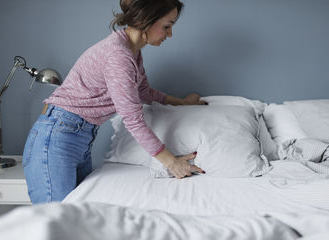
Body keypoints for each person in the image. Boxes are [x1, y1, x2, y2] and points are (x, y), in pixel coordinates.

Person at [22, 0, 206, 204]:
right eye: (167, 26)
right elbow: (133, 120)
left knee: (74, 219)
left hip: (74, 135)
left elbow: (144, 92)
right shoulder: (119, 56)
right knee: (54, 222)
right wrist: (172, 163)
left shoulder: (132, 53)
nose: (169, 33)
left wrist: (182, 103)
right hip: (58, 135)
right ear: (147, 20)